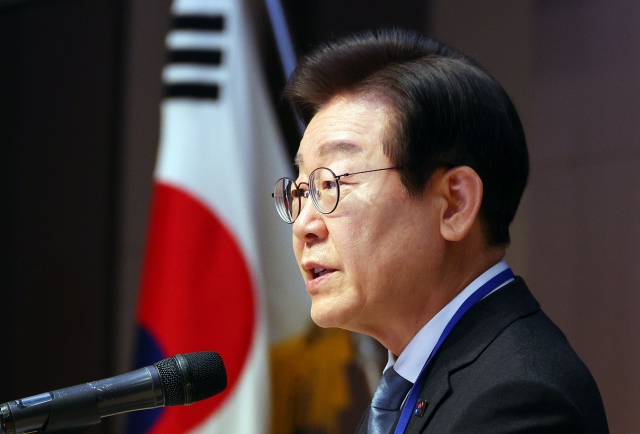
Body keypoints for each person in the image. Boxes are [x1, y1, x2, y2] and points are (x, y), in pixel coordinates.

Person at [271, 29, 608, 433]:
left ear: (455, 204)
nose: (305, 224)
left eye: (332, 184)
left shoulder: (519, 399)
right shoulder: (409, 389)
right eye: (303, 190)